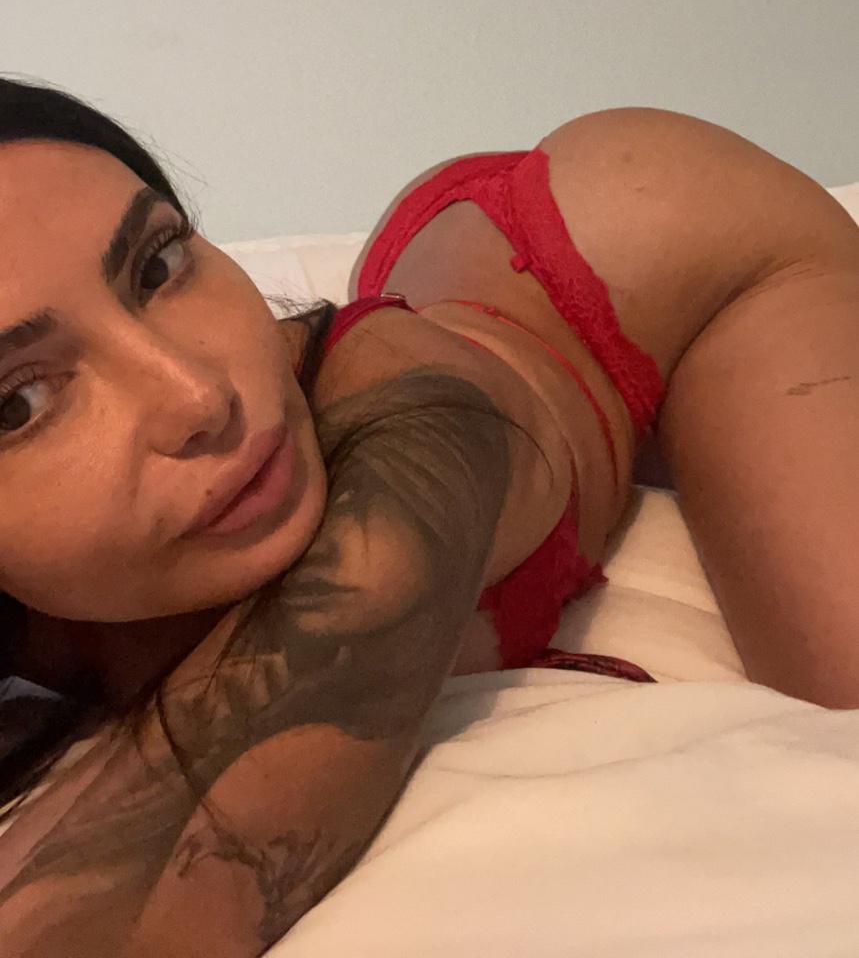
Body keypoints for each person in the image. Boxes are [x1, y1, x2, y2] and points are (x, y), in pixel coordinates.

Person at [0, 76, 856, 953]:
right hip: (452, 269)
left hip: (658, 236)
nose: (200, 395)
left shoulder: (416, 427)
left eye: (158, 265)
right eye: (18, 403)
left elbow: (161, 876)